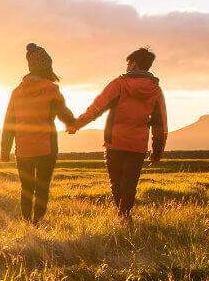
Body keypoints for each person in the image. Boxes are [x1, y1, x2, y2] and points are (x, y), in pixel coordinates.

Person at [67, 47, 167, 221]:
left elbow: (96, 109)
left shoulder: (119, 84)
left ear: (134, 64)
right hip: (137, 146)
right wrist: (157, 152)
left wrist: (76, 125)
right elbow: (161, 125)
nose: (127, 67)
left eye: (128, 63)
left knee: (117, 184)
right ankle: (125, 215)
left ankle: (122, 216)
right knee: (130, 184)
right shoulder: (156, 91)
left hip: (115, 144)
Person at [1, 43, 77, 224]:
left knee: (26, 188)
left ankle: (27, 223)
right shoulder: (51, 88)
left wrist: (5, 150)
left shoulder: (17, 92)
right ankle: (37, 224)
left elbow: (9, 123)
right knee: (42, 188)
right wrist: (72, 124)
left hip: (23, 149)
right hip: (46, 148)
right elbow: (63, 112)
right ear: (46, 66)